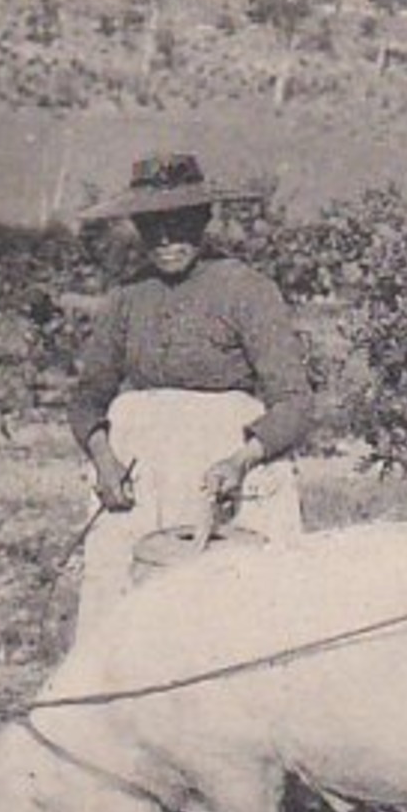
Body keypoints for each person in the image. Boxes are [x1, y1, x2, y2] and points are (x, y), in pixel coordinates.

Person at [62, 152, 313, 638]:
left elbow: (294, 403)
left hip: (221, 469)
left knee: (229, 617)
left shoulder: (246, 290)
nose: (167, 239)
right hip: (139, 475)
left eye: (180, 223)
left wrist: (241, 460)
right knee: (125, 612)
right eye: (153, 226)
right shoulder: (127, 298)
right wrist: (104, 459)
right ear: (137, 226)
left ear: (203, 219)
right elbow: (88, 396)